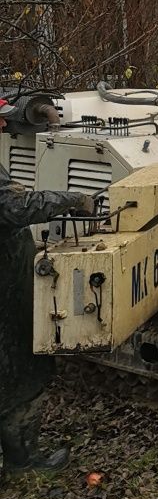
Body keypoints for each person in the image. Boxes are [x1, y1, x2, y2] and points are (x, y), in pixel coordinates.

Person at [0, 98, 97, 472]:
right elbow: (14, 209)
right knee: (19, 374)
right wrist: (72, 198)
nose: (6, 128)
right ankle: (23, 460)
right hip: (5, 296)